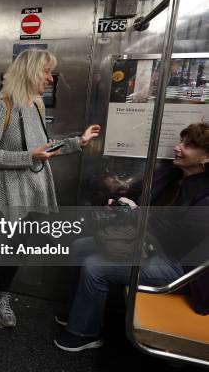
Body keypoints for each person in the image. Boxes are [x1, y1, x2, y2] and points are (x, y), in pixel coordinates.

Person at [0, 49, 101, 328]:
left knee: (21, 248)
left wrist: (76, 142)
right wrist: (28, 157)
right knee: (2, 251)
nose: (50, 78)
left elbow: (42, 146)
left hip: (34, 188)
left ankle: (2, 296)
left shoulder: (36, 105)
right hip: (7, 191)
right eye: (46, 72)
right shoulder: (0, 107)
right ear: (29, 72)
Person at [54, 122, 209, 352]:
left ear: (205, 158)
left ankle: (85, 333)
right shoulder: (172, 176)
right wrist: (119, 204)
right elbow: (138, 200)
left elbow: (176, 238)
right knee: (78, 247)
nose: (177, 147)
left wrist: (135, 214)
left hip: (177, 264)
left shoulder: (205, 194)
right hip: (147, 242)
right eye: (181, 141)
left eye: (188, 146)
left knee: (95, 267)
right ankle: (80, 310)